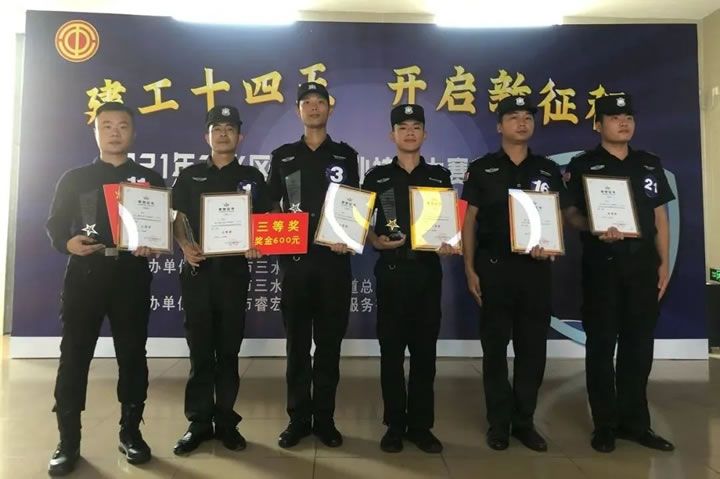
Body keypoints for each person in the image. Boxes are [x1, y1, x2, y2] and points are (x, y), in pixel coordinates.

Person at [45, 102, 165, 475]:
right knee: (74, 355)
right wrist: (67, 243)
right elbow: (55, 225)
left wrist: (152, 243)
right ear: (95, 131)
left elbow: (160, 226)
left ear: (133, 132)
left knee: (133, 355)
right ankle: (68, 441)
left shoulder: (148, 178)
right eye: (107, 125)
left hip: (131, 274)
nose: (115, 132)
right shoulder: (75, 178)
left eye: (123, 125)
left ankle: (131, 433)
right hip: (86, 274)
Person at [562, 94, 675, 453]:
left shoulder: (649, 164)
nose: (623, 123)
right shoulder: (584, 164)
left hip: (642, 266)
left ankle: (637, 424)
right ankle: (605, 425)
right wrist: (592, 226)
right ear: (598, 125)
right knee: (600, 346)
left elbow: (660, 217)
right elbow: (570, 214)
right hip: (602, 266)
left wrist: (663, 263)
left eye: (628, 117)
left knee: (638, 348)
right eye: (614, 117)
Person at [461, 95, 562, 452]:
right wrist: (469, 267)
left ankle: (524, 421)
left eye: (527, 117)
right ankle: (498, 423)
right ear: (499, 125)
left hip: (535, 271)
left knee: (532, 349)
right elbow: (469, 221)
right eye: (514, 117)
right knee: (494, 350)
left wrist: (551, 244)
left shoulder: (547, 170)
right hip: (494, 269)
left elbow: (557, 217)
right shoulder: (483, 169)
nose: (522, 123)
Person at [171, 105, 269, 455]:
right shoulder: (190, 175)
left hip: (234, 274)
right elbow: (175, 215)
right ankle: (198, 422)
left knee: (228, 351)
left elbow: (266, 219)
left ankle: (226, 421)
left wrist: (258, 244)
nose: (223, 134)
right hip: (198, 272)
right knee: (200, 351)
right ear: (207, 136)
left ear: (240, 136)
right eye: (217, 128)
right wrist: (185, 246)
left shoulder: (253, 177)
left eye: (230, 128)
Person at [362, 104, 459, 454]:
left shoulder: (438, 177)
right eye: (402, 127)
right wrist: (375, 241)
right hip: (391, 274)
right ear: (392, 135)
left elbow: (450, 226)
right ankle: (394, 425)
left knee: (424, 353)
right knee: (391, 353)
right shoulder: (376, 177)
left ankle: (420, 426)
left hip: (427, 274)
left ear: (425, 134)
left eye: (416, 126)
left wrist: (449, 244)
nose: (409, 133)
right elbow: (360, 224)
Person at [267, 82, 359, 448]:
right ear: (298, 110)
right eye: (307, 102)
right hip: (295, 265)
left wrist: (349, 234)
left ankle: (324, 418)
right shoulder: (283, 155)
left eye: (321, 102)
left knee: (329, 345)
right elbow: (271, 203)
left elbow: (354, 204)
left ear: (329, 109)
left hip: (334, 264)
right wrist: (280, 232)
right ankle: (297, 419)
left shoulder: (345, 155)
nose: (314, 107)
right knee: (297, 345)